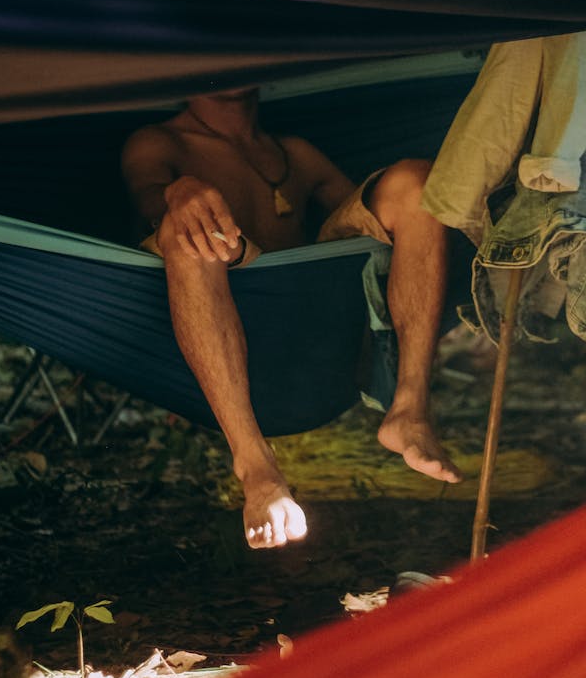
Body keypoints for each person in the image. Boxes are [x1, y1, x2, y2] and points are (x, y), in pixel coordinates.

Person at [121, 87, 462, 550]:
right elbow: (146, 201)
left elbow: (371, 220)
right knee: (189, 232)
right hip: (224, 280)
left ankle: (409, 408)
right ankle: (254, 466)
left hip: (307, 298)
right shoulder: (160, 143)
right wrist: (177, 191)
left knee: (416, 184)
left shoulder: (294, 152)